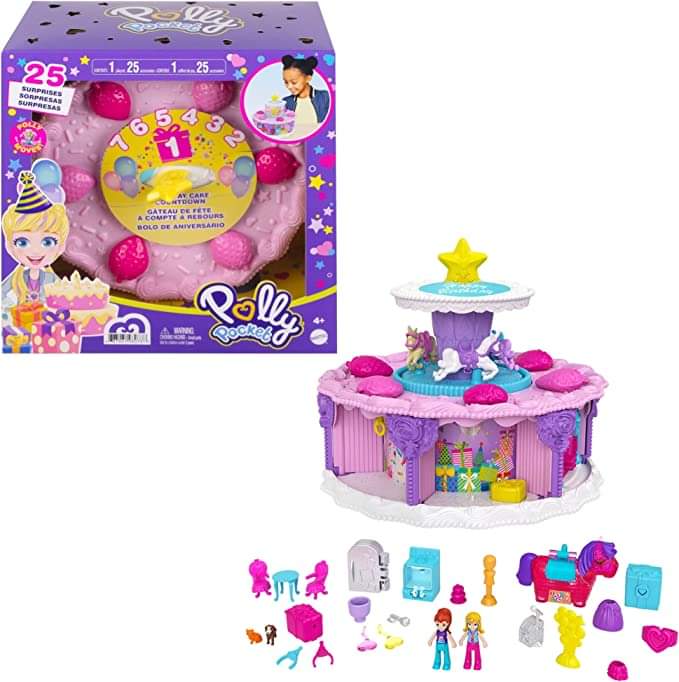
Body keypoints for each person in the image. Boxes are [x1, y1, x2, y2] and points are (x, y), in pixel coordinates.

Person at [1, 170, 68, 310]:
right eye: (22, 243)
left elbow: (65, 298)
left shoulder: (51, 279)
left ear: (61, 245)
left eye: (47, 242)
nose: (36, 251)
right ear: (9, 246)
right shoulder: (16, 279)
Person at [281, 55, 330, 127]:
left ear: (308, 78)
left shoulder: (325, 97)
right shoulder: (286, 102)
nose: (289, 86)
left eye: (294, 82)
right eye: (286, 82)